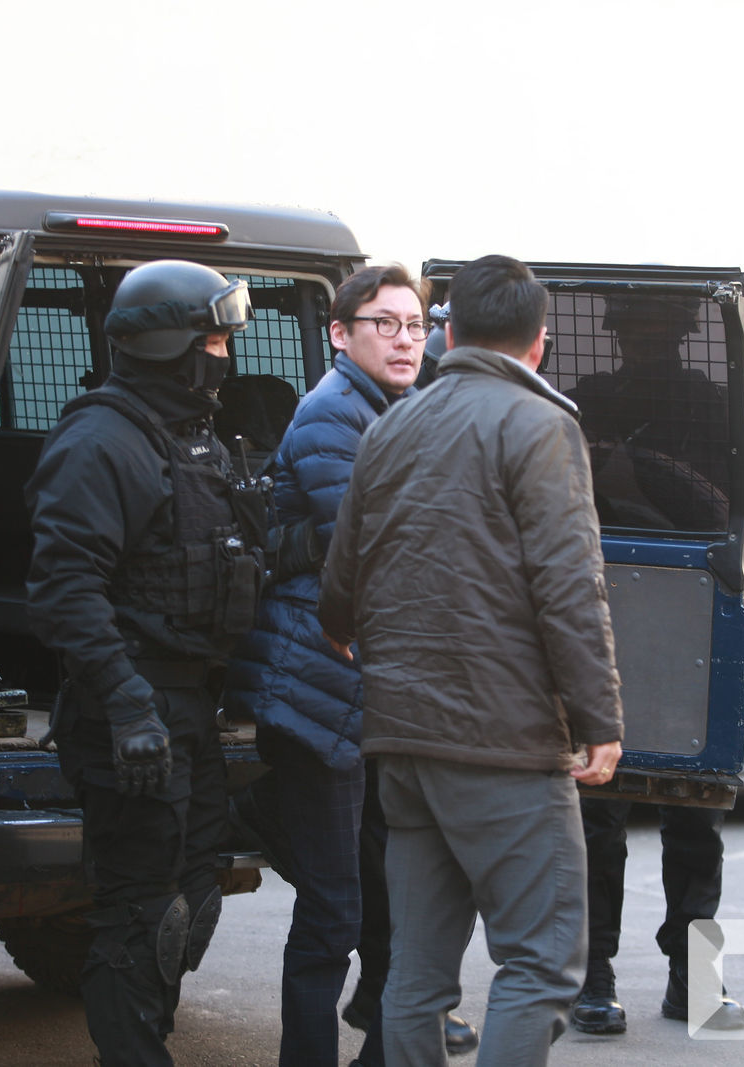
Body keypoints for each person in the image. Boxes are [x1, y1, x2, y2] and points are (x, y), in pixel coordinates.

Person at [319, 253, 624, 1067]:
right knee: (541, 961)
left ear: (448, 335)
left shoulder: (390, 425)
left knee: (416, 972)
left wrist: (342, 626)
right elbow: (569, 587)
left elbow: (341, 579)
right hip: (503, 742)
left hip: (403, 741)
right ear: (539, 343)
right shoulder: (541, 425)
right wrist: (598, 718)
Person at [224, 264, 476, 1065]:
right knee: (335, 912)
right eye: (385, 324)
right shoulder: (335, 413)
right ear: (340, 333)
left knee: (394, 905)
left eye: (416, 325)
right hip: (318, 694)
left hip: (367, 695)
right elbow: (372, 550)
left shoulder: (395, 410)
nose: (406, 340)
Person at [25, 259, 271, 1066]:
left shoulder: (193, 440)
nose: (225, 356)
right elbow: (65, 589)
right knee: (140, 911)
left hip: (188, 706)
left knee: (191, 896)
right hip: (131, 708)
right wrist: (127, 703)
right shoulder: (101, 441)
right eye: (214, 341)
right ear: (173, 348)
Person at [567, 294, 744, 1037]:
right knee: (598, 816)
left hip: (693, 630)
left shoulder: (713, 414)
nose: (644, 341)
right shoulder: (585, 405)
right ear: (614, 334)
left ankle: (691, 979)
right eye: (633, 329)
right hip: (605, 626)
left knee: (695, 817)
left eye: (657, 329)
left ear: (681, 334)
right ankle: (593, 976)